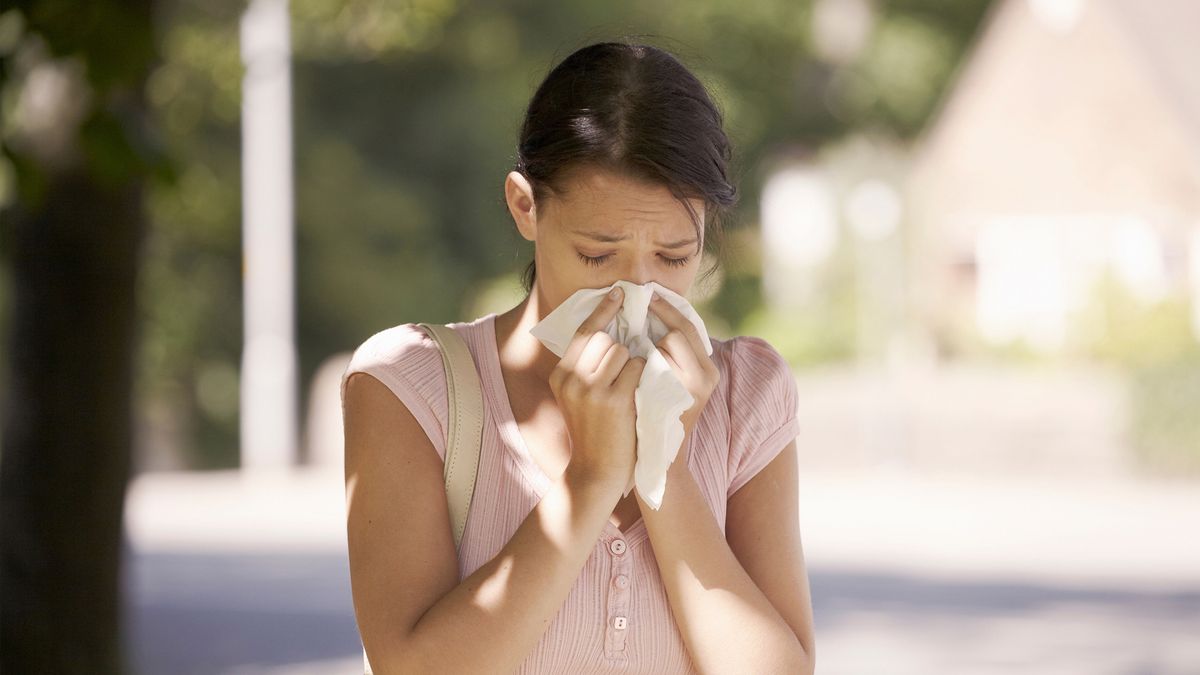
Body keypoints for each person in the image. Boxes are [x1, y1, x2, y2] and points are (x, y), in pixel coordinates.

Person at [341, 40, 815, 674]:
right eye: (598, 255)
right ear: (524, 206)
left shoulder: (746, 394)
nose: (636, 292)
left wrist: (663, 464)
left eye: (674, 257)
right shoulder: (410, 386)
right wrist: (590, 479)